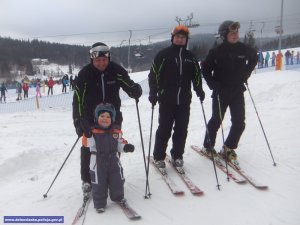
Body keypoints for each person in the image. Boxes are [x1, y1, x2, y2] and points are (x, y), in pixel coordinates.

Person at [72, 42, 142, 200]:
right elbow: (77, 99)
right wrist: (78, 120)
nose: (101, 63)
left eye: (104, 60)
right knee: (88, 149)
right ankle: (87, 180)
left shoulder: (116, 70)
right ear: (92, 59)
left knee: (113, 146)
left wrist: (134, 90)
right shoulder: (84, 74)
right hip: (90, 118)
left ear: (108, 58)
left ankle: (111, 177)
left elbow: (128, 84)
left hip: (112, 118)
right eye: (98, 60)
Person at [148, 25, 205, 170]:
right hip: (166, 100)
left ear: (186, 40)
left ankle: (177, 156)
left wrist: (199, 89)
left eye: (183, 38)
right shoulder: (163, 55)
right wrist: (153, 92)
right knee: (164, 129)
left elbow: (197, 75)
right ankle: (159, 157)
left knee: (181, 129)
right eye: (178, 37)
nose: (180, 40)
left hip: (184, 100)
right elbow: (153, 75)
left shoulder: (190, 57)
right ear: (173, 38)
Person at [201, 20, 257, 164]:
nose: (235, 35)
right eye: (231, 33)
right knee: (216, 120)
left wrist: (246, 74)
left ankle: (228, 147)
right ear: (224, 35)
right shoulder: (217, 51)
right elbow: (205, 69)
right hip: (221, 91)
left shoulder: (244, 49)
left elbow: (254, 58)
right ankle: (208, 146)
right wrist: (213, 84)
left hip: (237, 90)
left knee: (239, 122)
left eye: (236, 32)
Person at [85, 103, 134, 213]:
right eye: (102, 116)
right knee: (99, 183)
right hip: (98, 162)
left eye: (108, 117)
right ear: (97, 118)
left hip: (113, 161)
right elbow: (87, 144)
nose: (105, 119)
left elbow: (119, 144)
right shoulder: (93, 132)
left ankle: (118, 197)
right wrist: (87, 134)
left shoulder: (116, 132)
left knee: (117, 180)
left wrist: (126, 147)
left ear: (112, 119)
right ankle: (99, 204)